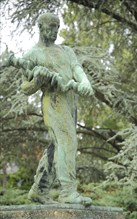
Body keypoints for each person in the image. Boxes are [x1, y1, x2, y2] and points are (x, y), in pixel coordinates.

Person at [10, 12, 94, 205]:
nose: (55, 30)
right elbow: (25, 88)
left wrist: (85, 83)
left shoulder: (66, 51)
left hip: (70, 101)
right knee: (68, 142)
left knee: (58, 145)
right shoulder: (33, 54)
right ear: (40, 27)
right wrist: (36, 82)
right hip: (53, 102)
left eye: (57, 26)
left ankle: (39, 189)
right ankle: (68, 192)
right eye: (51, 26)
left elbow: (77, 69)